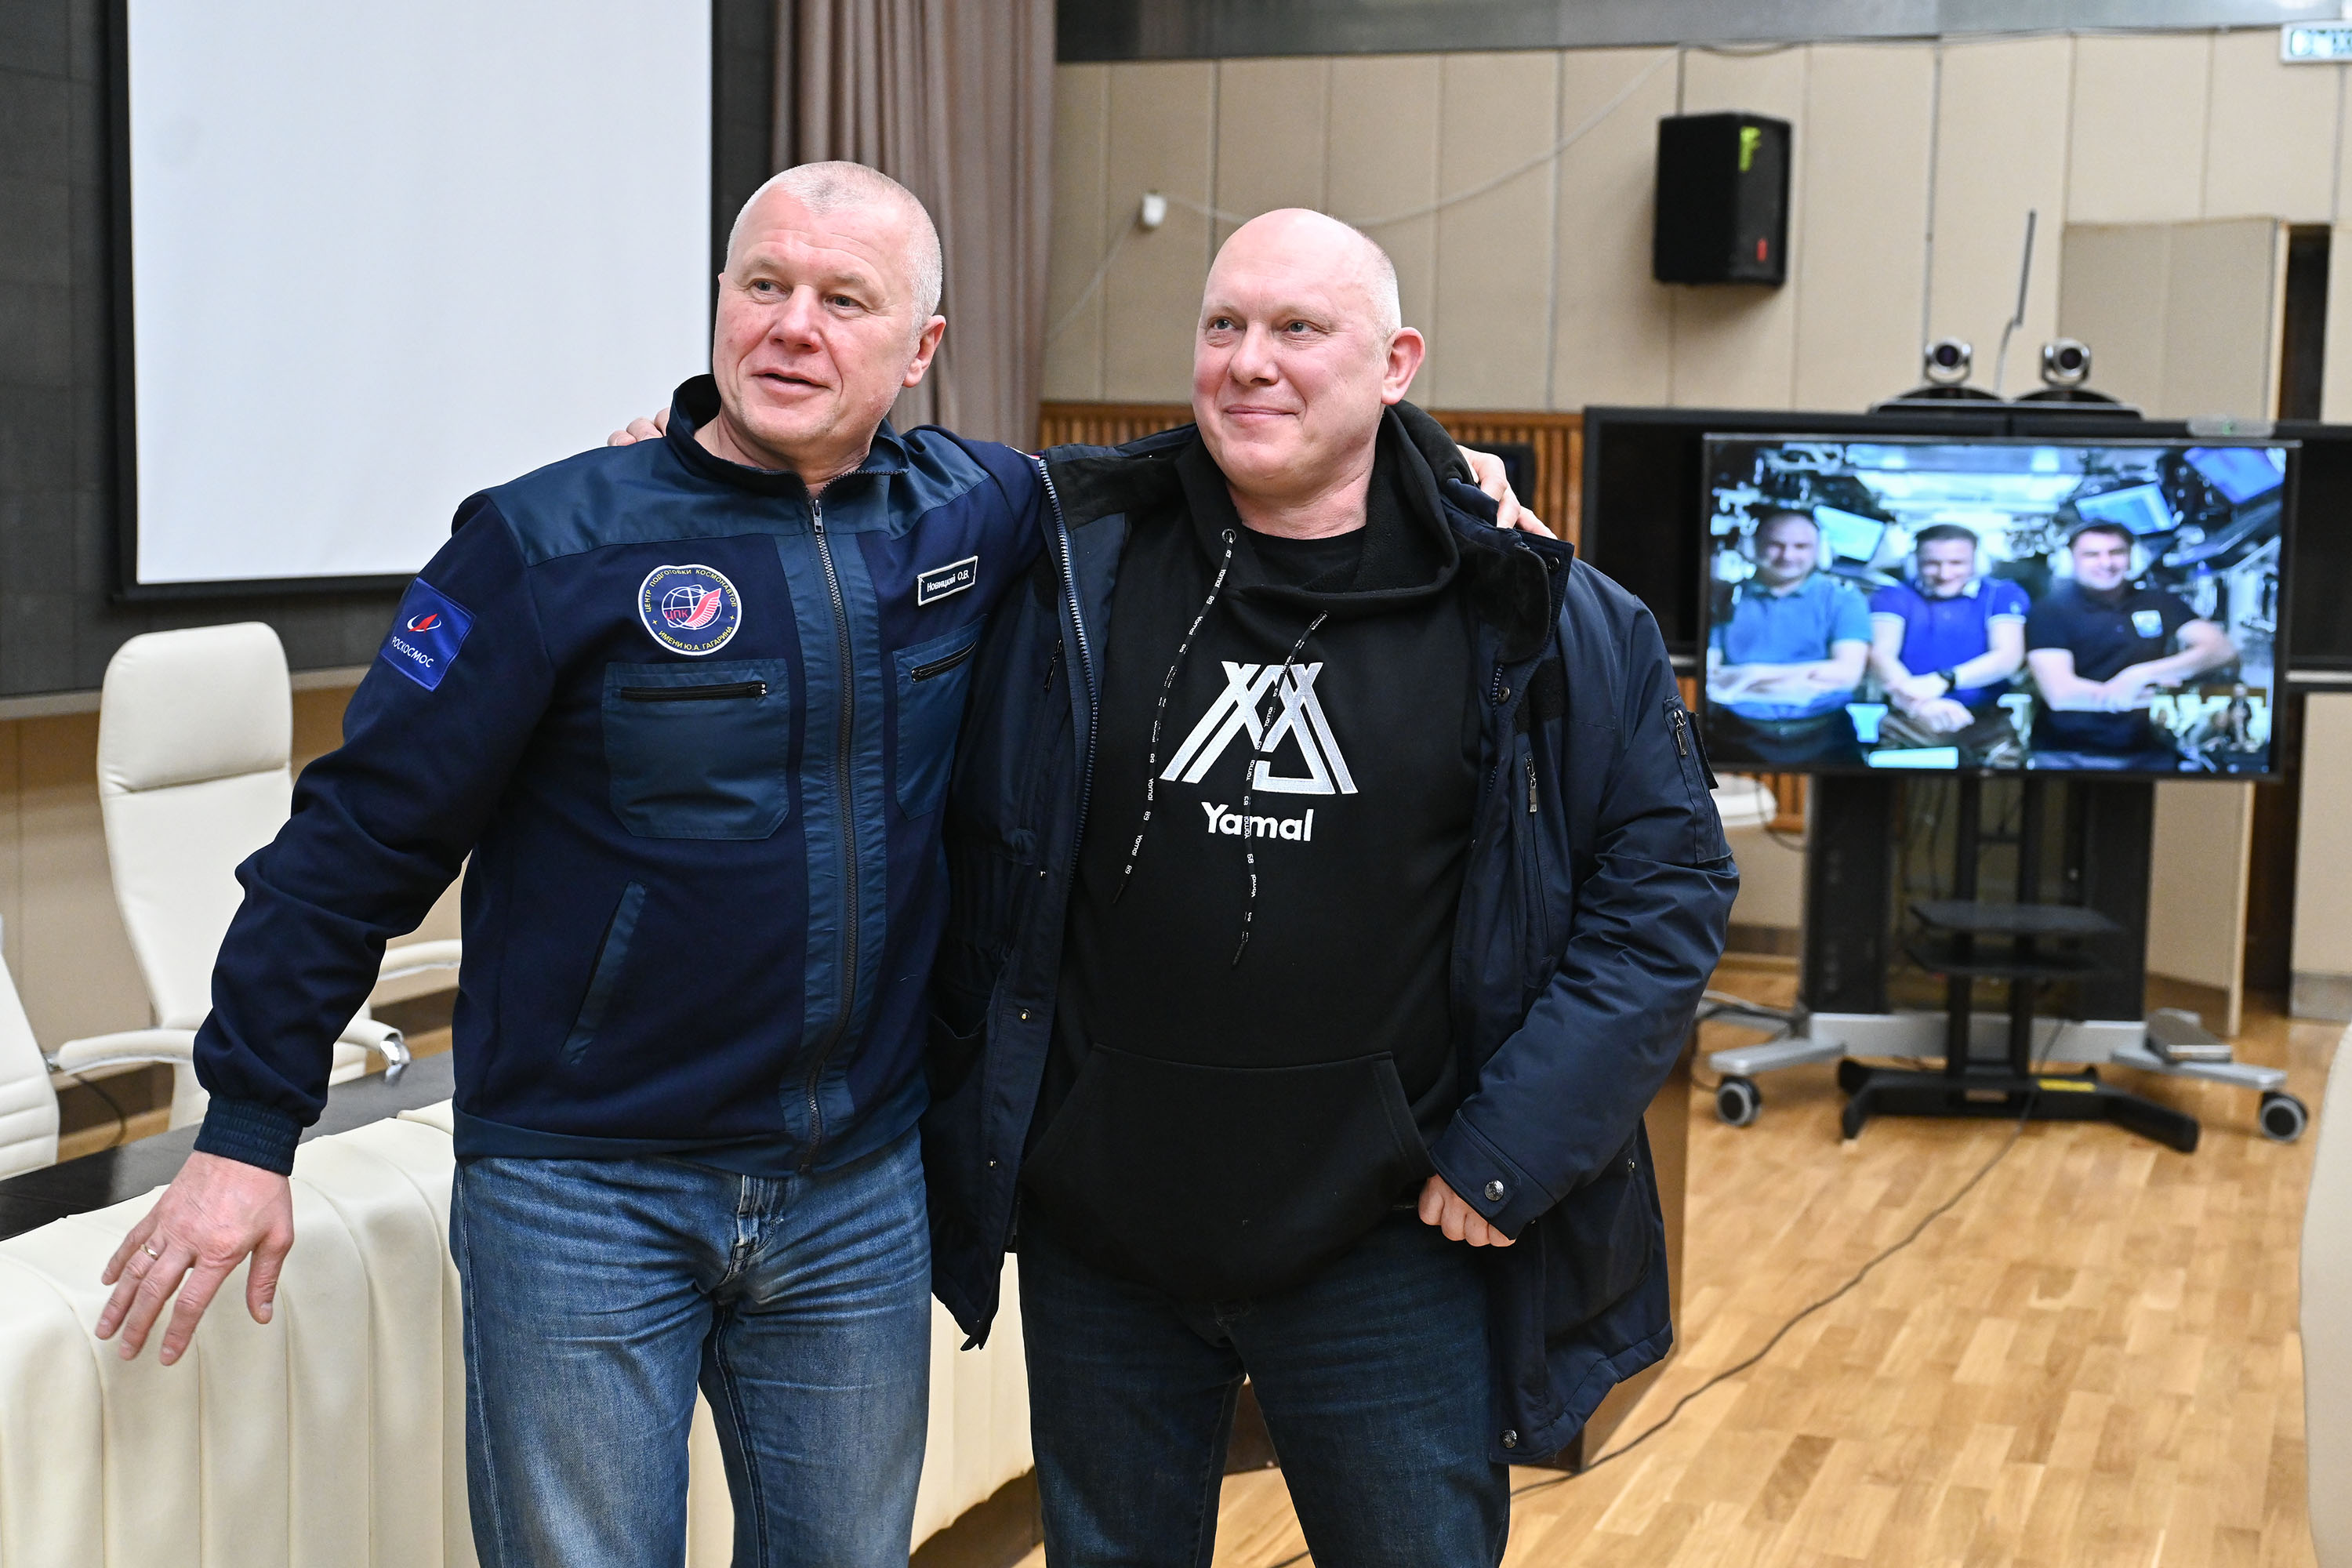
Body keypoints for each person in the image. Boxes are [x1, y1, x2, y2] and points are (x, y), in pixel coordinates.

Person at [97, 163, 1535, 1568]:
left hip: (855, 1190)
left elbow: (1220, 456)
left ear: (921, 349)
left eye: (846, 301)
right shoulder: (547, 541)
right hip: (585, 1190)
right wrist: (250, 1127)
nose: (794, 327)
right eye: (764, 286)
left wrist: (1432, 470)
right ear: (718, 303)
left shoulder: (977, 511)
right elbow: (354, 842)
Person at [923, 209, 1737, 1567]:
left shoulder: (1532, 607)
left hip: (1390, 1247)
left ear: (1396, 363)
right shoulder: (1069, 555)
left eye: (1299, 328)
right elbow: (863, 505)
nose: (1251, 360)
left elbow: (1665, 895)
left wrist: (1509, 1151)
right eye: (1224, 325)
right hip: (1105, 1237)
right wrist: (690, 458)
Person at [2024, 519, 2236, 770]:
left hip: (2150, 753)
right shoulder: (2049, 611)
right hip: (2068, 755)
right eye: (2092, 555)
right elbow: (2061, 695)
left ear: (2132, 557)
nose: (2106, 563)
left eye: (2116, 552)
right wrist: (2142, 695)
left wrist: (2139, 675)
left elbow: (2221, 650)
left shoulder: (2158, 601)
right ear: (2071, 560)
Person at [1705, 508, 1871, 765]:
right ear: (1753, 546)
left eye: (1801, 546)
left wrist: (1753, 674)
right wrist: (1805, 679)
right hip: (1736, 738)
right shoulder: (1723, 598)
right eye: (1776, 545)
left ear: (1819, 550)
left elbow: (1847, 674)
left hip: (1827, 738)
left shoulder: (1844, 599)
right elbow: (1712, 676)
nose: (1788, 556)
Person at [1866, 523, 2028, 753]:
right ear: (1915, 563)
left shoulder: (2002, 594)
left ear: (1978, 562)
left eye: (1957, 563)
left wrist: (1943, 681)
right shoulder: (1891, 596)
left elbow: (2008, 657)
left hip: (1987, 722)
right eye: (1932, 564)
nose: (1945, 574)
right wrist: (1920, 705)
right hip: (1910, 720)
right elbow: (1881, 655)